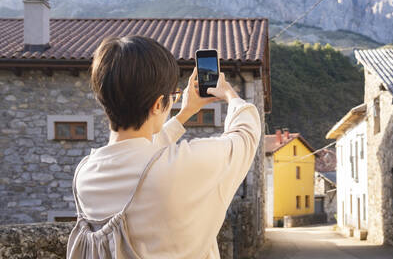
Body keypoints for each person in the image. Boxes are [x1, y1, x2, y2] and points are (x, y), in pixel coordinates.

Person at [69, 35, 261, 258]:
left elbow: (138, 154)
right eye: (172, 96)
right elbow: (245, 136)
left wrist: (185, 113)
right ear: (158, 104)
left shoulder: (84, 175)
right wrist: (230, 94)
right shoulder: (181, 166)